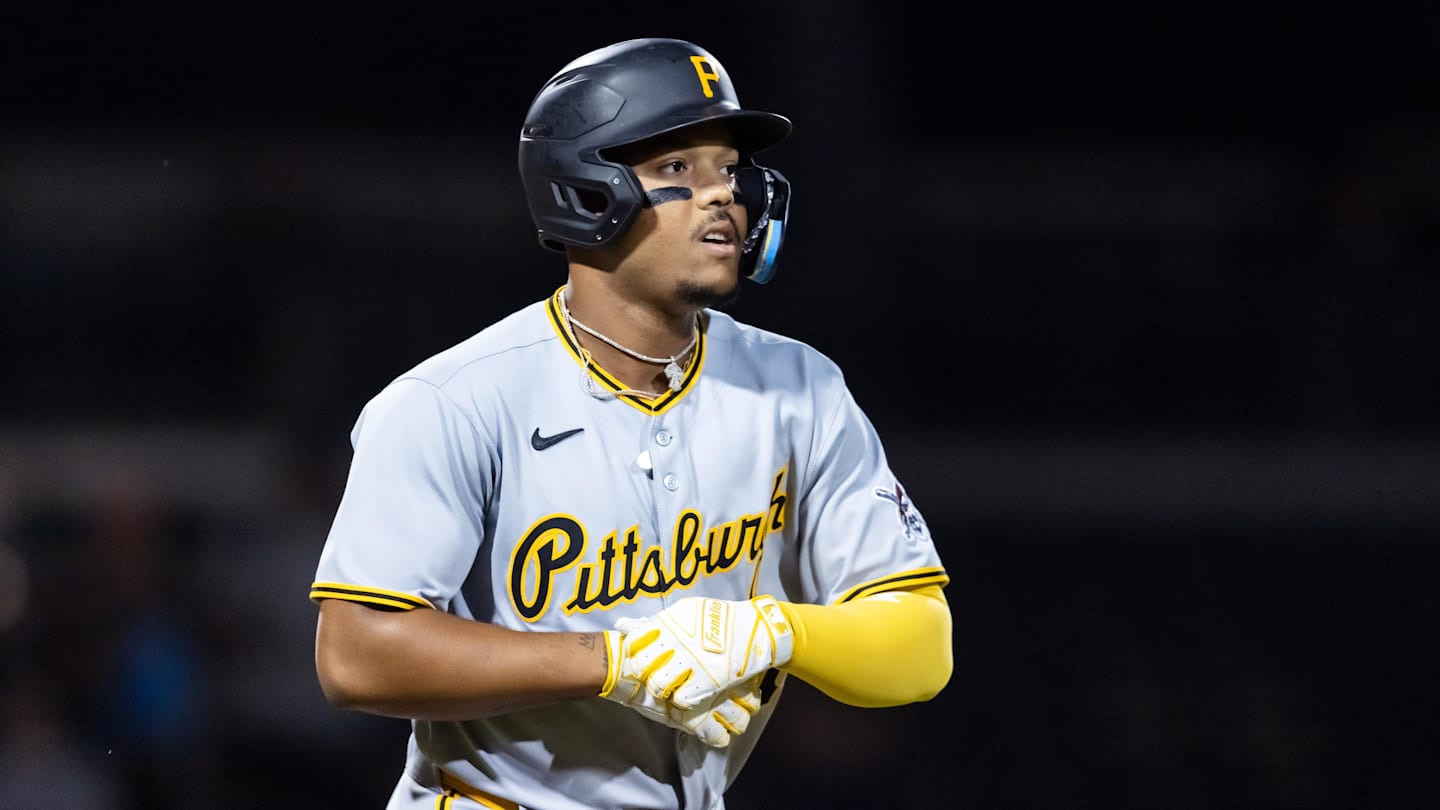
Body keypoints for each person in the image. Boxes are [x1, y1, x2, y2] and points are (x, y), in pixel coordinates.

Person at [310, 36, 953, 810]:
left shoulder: (800, 389)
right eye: (677, 168)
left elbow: (922, 647)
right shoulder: (454, 400)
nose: (722, 196)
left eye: (729, 169)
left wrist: (769, 632)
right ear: (585, 192)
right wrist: (615, 662)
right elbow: (355, 656)